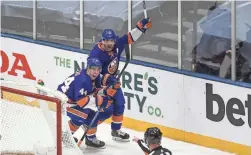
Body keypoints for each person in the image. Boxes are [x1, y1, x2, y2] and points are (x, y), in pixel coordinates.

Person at [88, 17, 152, 141]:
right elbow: (92, 73)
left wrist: (141, 27)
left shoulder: (116, 44)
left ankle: (116, 131)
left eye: (111, 40)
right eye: (107, 41)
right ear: (102, 40)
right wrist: (107, 78)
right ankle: (89, 132)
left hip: (113, 83)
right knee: (104, 109)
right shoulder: (96, 53)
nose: (109, 43)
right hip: (99, 86)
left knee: (120, 103)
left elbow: (130, 37)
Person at [57, 58, 111, 149]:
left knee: (87, 116)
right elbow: (82, 102)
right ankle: (88, 139)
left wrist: (108, 89)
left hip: (71, 101)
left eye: (98, 69)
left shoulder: (91, 75)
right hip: (63, 102)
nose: (96, 72)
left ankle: (70, 137)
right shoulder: (83, 80)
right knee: (87, 115)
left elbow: (96, 90)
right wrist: (99, 101)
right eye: (94, 69)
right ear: (88, 68)